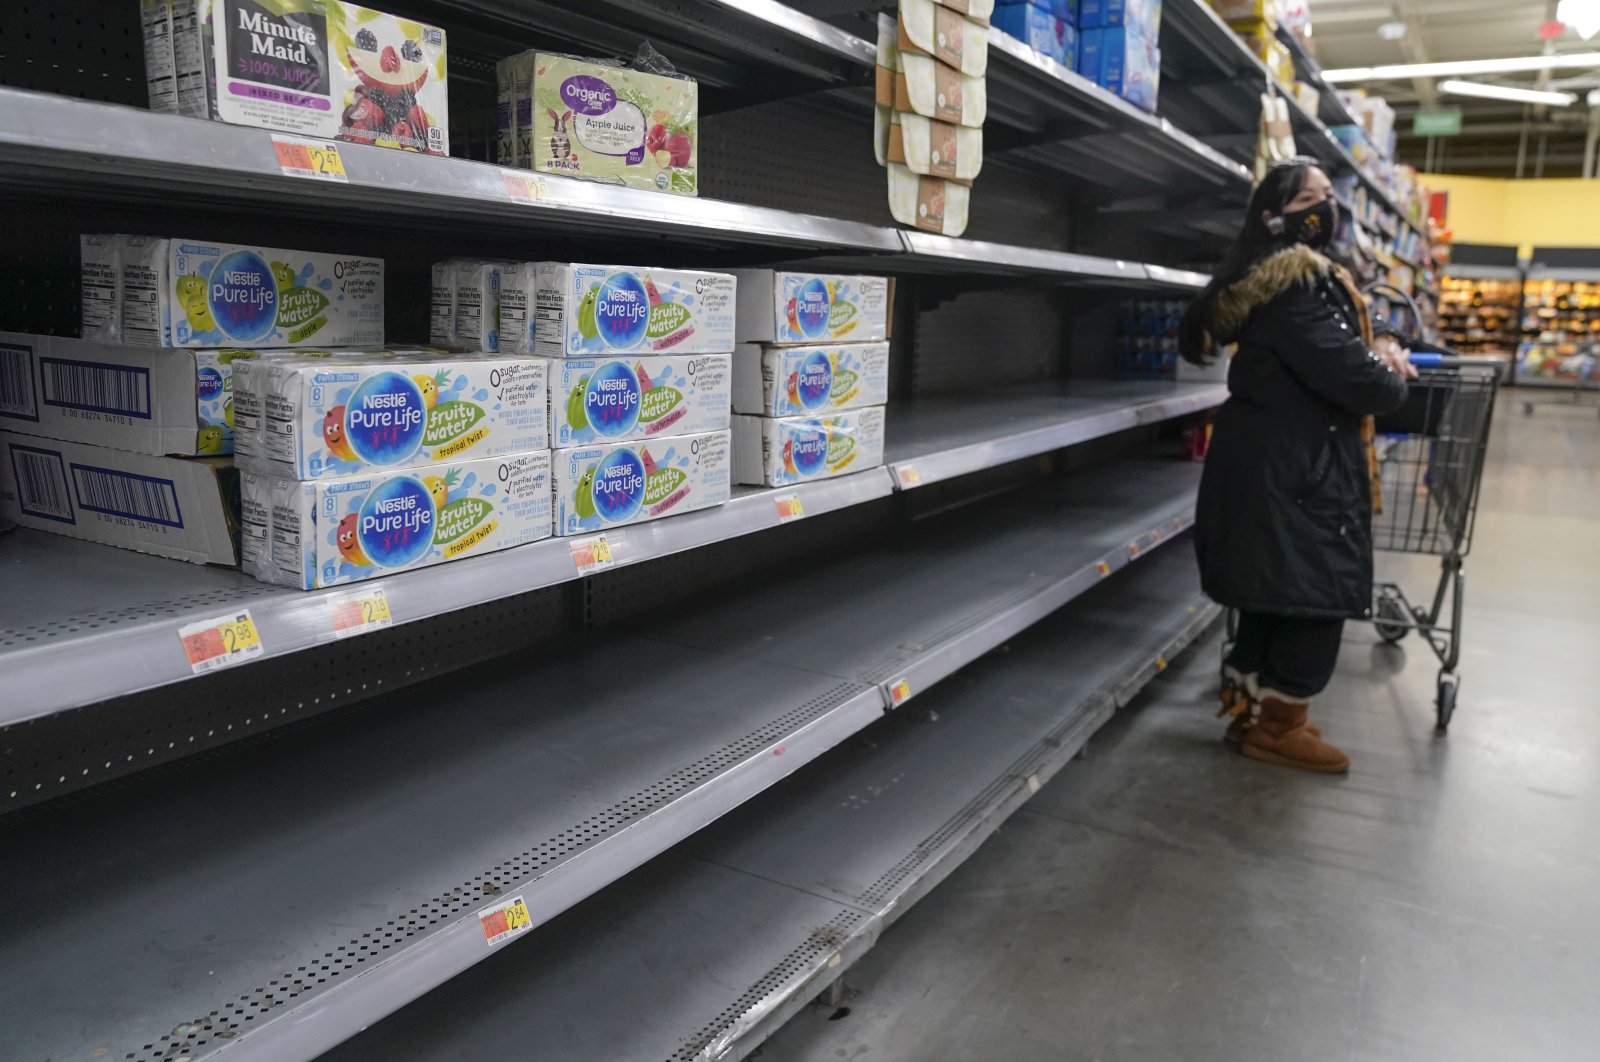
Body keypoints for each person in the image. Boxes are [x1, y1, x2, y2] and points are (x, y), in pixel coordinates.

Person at [1179, 158, 1417, 774]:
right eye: (1310, 197)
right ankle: (1282, 728)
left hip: (1278, 464)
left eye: (1330, 194)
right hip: (1300, 470)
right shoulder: (1293, 285)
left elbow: (1344, 333)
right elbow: (1356, 380)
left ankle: (1253, 713)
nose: (1327, 206)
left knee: (1275, 594)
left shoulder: (1285, 281)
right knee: (1314, 594)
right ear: (1273, 216)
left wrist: (1382, 342)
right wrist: (1388, 374)